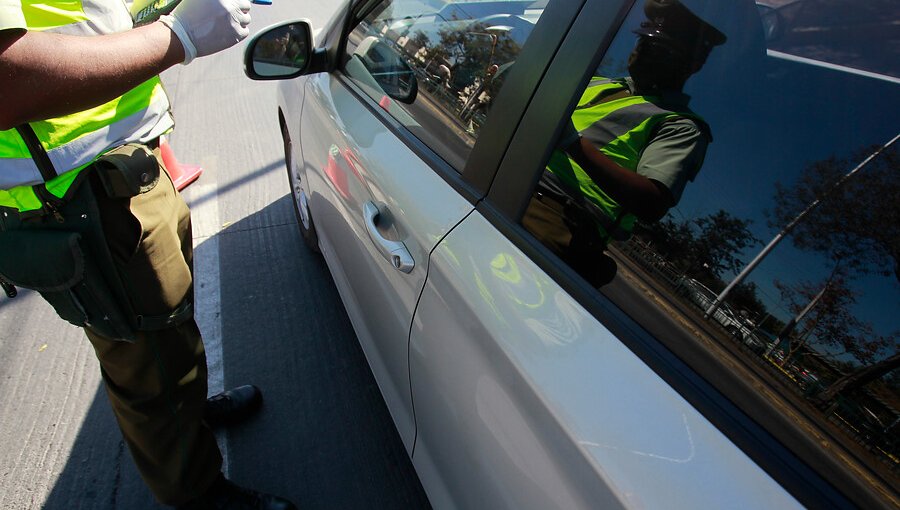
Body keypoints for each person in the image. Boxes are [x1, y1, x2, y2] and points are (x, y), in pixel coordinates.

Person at [0, 0, 297, 508]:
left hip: (127, 170)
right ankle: (196, 493)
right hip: (78, 196)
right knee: (147, 360)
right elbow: (8, 80)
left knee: (170, 336)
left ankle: (187, 414)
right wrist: (178, 35)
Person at [523, 0, 727, 287]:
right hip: (512, 176)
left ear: (691, 66)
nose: (643, 52)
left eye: (659, 49)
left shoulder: (680, 125)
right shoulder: (597, 82)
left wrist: (573, 143)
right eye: (643, 41)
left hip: (557, 220)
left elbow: (651, 202)